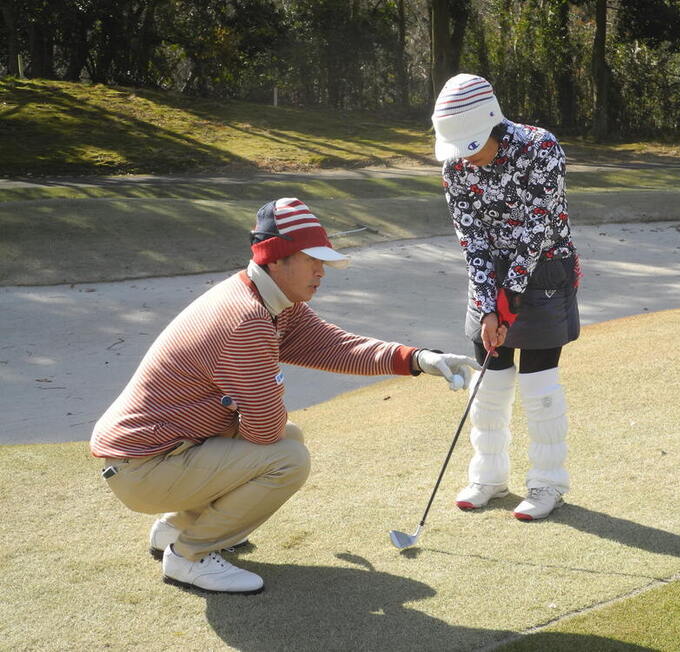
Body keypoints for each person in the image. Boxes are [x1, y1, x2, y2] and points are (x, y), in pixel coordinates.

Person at [90, 197, 479, 594]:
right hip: (144, 467)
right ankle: (188, 555)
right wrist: (268, 386)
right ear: (275, 259)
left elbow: (332, 346)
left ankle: (176, 527)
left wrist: (416, 359)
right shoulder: (248, 319)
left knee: (289, 439)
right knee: (288, 459)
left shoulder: (269, 300)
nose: (321, 271)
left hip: (157, 455)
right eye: (311, 259)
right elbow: (262, 430)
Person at [431, 73, 580, 521]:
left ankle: (547, 484)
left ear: (493, 124)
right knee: (489, 379)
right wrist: (486, 298)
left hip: (544, 269)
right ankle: (489, 478)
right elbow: (471, 238)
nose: (467, 159)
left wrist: (508, 300)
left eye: (473, 147)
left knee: (538, 384)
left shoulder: (541, 148)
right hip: (491, 276)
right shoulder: (456, 163)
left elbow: (536, 231)